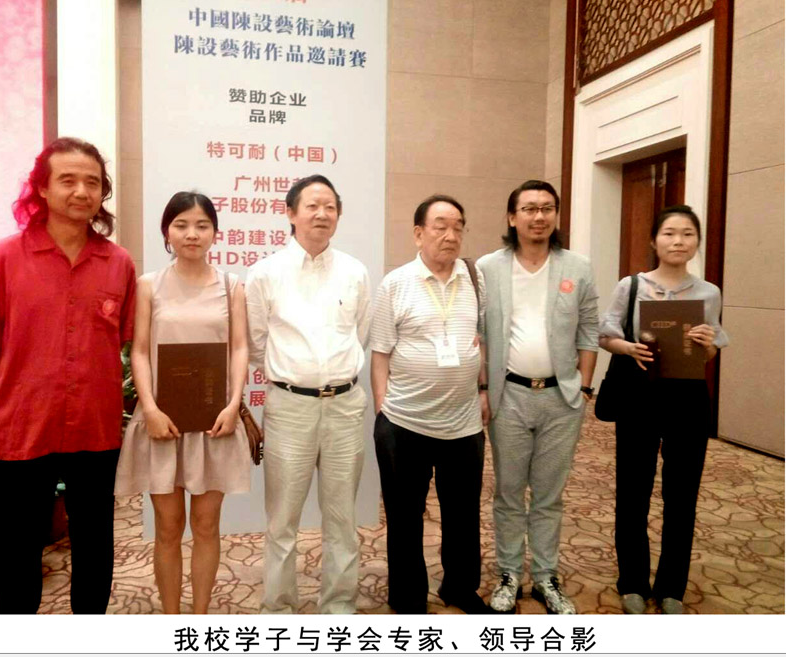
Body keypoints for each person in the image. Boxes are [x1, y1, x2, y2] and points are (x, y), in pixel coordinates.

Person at [0, 137, 137, 613]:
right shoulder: (2, 259)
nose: (81, 191)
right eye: (68, 180)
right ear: (41, 187)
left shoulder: (118, 263)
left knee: (95, 540)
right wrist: (26, 379)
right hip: (25, 422)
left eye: (92, 182)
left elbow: (121, 339)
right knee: (19, 545)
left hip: (95, 426)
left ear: (102, 193)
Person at [114, 191, 251, 614]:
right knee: (168, 528)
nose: (192, 234)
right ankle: (172, 619)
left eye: (202, 226)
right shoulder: (148, 285)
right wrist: (150, 409)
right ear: (167, 232)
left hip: (214, 423)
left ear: (215, 233)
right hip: (163, 423)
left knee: (207, 526)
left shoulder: (231, 286)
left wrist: (233, 404)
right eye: (181, 225)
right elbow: (139, 351)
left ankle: (200, 617)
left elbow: (240, 348)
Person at [244, 174, 370, 614]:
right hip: (290, 407)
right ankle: (278, 610)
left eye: (330, 206)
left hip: (345, 406)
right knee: (282, 520)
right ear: (290, 213)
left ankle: (339, 608)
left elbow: (361, 333)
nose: (322, 214)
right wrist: (294, 375)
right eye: (312, 206)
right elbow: (255, 342)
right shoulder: (265, 273)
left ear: (339, 214)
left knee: (342, 518)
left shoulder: (355, 272)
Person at [598, 204, 728, 615]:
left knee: (682, 493)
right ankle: (632, 582)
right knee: (632, 490)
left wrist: (706, 345)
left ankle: (672, 586)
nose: (678, 241)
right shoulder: (631, 286)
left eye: (687, 234)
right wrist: (628, 347)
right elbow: (605, 334)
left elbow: (711, 351)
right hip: (639, 394)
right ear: (654, 240)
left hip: (688, 398)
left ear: (697, 242)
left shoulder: (708, 292)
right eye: (670, 233)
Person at [477, 180, 598, 614]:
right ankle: (509, 573)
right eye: (528, 208)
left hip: (560, 399)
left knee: (549, 494)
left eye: (547, 208)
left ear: (556, 216)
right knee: (509, 492)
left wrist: (584, 388)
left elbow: (589, 330)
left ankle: (546, 577)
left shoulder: (577, 267)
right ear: (512, 217)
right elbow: (478, 333)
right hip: (508, 395)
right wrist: (483, 389)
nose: (538, 216)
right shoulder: (489, 268)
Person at [370, 194, 490, 615]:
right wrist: (383, 409)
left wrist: (483, 389)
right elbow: (380, 352)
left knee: (463, 513)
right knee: (405, 515)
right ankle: (408, 598)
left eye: (458, 226)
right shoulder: (396, 283)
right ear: (419, 233)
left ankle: (460, 587)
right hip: (405, 422)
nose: (450, 235)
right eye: (440, 226)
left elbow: (480, 338)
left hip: (463, 423)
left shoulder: (474, 278)